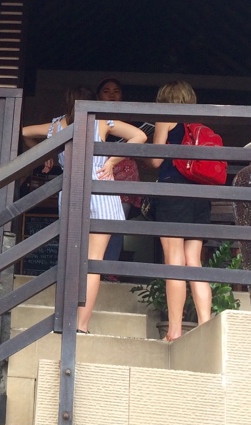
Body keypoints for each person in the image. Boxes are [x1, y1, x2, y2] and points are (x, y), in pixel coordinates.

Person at [22, 85, 147, 334]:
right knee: (94, 262)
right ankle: (82, 325)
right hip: (101, 190)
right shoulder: (102, 120)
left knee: (72, 259)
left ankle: (66, 319)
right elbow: (140, 136)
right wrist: (112, 160)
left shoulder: (56, 126)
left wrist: (47, 155)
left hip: (71, 192)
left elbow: (24, 131)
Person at [147, 80, 213, 341]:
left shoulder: (165, 118)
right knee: (193, 261)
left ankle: (174, 331)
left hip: (173, 192)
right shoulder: (199, 124)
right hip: (200, 193)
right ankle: (206, 325)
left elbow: (155, 160)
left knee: (174, 260)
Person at [95, 78, 142, 266]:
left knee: (117, 222)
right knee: (96, 222)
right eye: (106, 91)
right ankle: (93, 267)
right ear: (98, 96)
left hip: (125, 175)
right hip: (100, 172)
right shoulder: (93, 118)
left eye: (116, 91)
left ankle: (110, 270)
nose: (112, 95)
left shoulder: (128, 118)